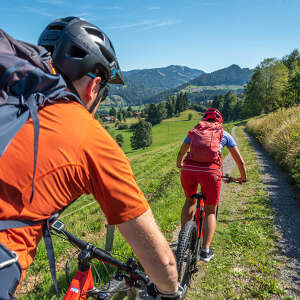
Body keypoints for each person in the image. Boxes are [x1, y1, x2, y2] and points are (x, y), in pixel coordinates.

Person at [0, 17, 180, 299]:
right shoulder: (89, 137)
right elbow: (164, 264)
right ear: (93, 86)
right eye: (104, 93)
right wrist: (170, 290)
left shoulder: (9, 100)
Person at [176, 108, 246, 262]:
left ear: (204, 120)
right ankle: (205, 251)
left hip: (189, 170)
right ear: (219, 121)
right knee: (210, 211)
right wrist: (242, 177)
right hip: (210, 173)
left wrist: (179, 163)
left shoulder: (195, 131)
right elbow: (239, 161)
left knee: (189, 201)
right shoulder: (224, 134)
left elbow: (182, 150)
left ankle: (184, 241)